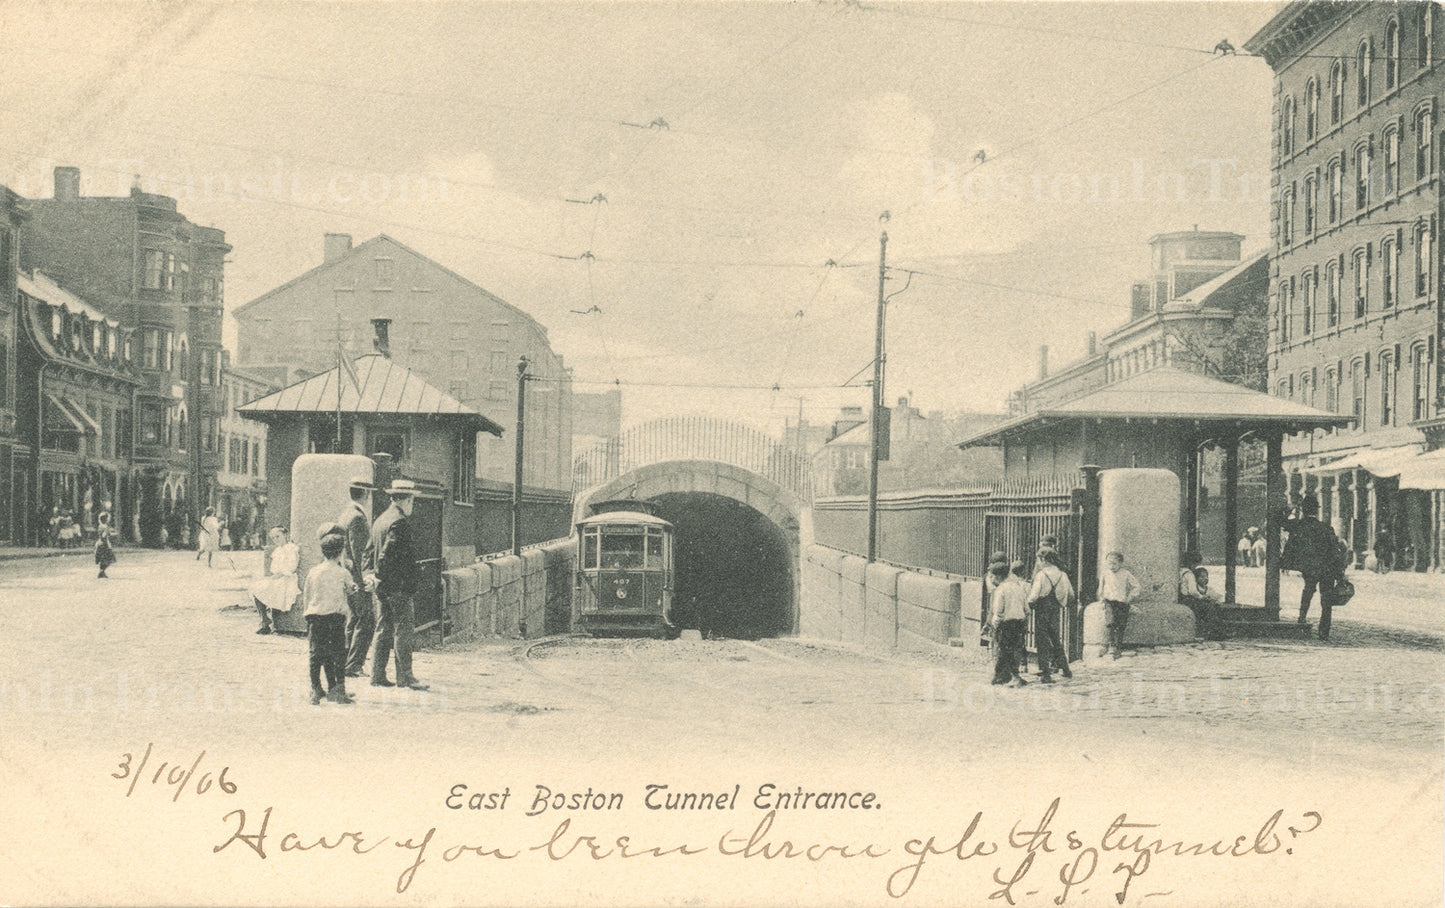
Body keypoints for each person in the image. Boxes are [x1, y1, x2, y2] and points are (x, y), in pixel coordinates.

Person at [369, 480, 428, 690]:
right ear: (407, 500)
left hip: (383, 587)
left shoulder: (381, 520)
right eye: (412, 500)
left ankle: (377, 675)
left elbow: (369, 551)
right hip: (398, 587)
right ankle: (406, 677)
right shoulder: (399, 522)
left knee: (383, 628)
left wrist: (373, 577)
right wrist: (380, 574)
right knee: (403, 629)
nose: (412, 505)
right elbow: (386, 554)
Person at [302, 530, 357, 706]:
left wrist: (307, 613)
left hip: (314, 616)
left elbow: (307, 594)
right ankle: (337, 690)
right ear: (341, 551)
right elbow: (351, 590)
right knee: (338, 654)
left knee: (316, 654)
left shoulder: (313, 571)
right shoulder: (343, 572)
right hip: (335, 617)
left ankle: (315, 689)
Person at [1279, 494, 1344, 641]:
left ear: (1304, 509)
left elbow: (1282, 522)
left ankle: (1301, 619)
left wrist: (1294, 509)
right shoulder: (1326, 528)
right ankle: (1324, 631)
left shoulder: (1298, 525)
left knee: (1308, 591)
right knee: (1326, 599)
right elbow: (1335, 551)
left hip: (1310, 567)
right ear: (1316, 510)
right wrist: (1339, 572)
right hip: (1327, 569)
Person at [339, 477, 376, 679]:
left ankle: (345, 660)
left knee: (353, 619)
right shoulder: (358, 518)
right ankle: (354, 665)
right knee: (366, 619)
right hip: (357, 579)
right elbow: (360, 553)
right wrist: (365, 580)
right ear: (366, 494)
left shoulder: (346, 514)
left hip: (349, 577)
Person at [1028, 547, 1074, 682]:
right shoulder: (1062, 574)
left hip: (1042, 608)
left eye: (1039, 560)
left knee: (1042, 640)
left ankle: (1045, 672)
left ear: (1044, 560)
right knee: (1055, 638)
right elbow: (1070, 594)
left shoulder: (1041, 575)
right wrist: (1061, 601)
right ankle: (1065, 669)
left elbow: (1034, 596)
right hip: (1055, 608)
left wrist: (1028, 603)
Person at [989, 560, 1030, 687]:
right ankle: (1001, 676)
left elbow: (998, 611)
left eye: (992, 576)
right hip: (1019, 623)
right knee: (1015, 650)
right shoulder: (1018, 587)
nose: (991, 579)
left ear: (998, 576)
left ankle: (1014, 677)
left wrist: (995, 624)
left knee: (1004, 651)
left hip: (1005, 624)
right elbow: (1027, 609)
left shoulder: (1000, 589)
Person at [252, 526, 299, 634]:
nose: (275, 539)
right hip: (278, 578)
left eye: (278, 536)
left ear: (285, 535)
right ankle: (264, 619)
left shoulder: (292, 548)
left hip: (287, 579)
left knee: (260, 588)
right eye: (273, 538)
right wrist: (274, 576)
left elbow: (292, 567)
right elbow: (274, 568)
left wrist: (278, 575)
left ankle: (265, 622)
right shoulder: (278, 550)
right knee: (256, 588)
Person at [1099, 551, 1140, 659]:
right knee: (1110, 622)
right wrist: (1101, 599)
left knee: (1121, 624)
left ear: (1120, 563)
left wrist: (1129, 597)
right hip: (1109, 601)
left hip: (1122, 603)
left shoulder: (1125, 574)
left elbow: (1136, 586)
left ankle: (1118, 646)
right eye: (1109, 563)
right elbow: (1101, 587)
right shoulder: (1105, 573)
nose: (1112, 566)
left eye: (1114, 564)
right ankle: (1111, 645)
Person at [1178, 551, 1222, 640]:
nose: (1195, 567)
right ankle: (1213, 632)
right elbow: (1193, 591)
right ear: (1191, 563)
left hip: (1181, 598)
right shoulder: (1189, 574)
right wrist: (1202, 597)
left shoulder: (1180, 571)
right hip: (1188, 599)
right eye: (1195, 564)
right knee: (1210, 607)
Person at [94, 514, 116, 579]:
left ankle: (102, 572)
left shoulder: (100, 526)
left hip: (99, 543)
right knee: (109, 559)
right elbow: (104, 536)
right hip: (104, 544)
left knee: (102, 559)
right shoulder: (105, 527)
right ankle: (101, 571)